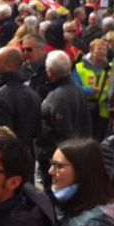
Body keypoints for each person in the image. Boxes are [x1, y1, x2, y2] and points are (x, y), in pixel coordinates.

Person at [48, 138, 114, 226]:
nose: (51, 171)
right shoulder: (59, 204)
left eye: (59, 166)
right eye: (52, 164)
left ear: (82, 171)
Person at [37, 50, 91, 191]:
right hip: (71, 153)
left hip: (57, 155)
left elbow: (63, 130)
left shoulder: (58, 96)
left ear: (50, 72)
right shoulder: (76, 89)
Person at [0, 46, 41, 159]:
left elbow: (1, 138)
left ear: (9, 66)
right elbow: (37, 131)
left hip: (8, 161)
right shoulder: (33, 94)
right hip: (28, 158)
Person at [73, 39, 112, 142]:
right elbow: (75, 88)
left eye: (104, 49)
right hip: (86, 107)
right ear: (91, 50)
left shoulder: (109, 68)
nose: (102, 52)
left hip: (103, 110)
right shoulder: (79, 67)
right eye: (99, 49)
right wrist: (90, 91)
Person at [20, 33, 50, 99]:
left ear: (42, 49)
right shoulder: (22, 68)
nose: (25, 53)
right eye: (23, 50)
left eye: (29, 49)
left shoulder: (51, 68)